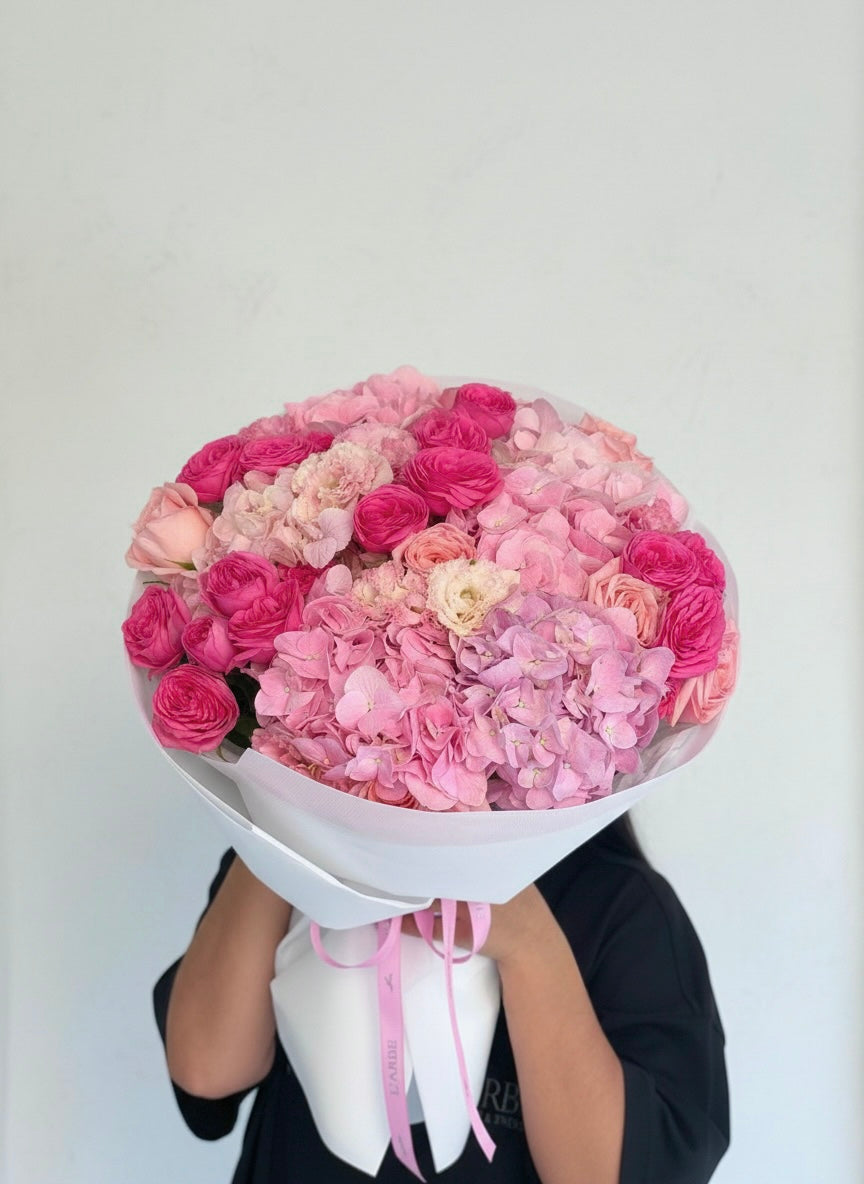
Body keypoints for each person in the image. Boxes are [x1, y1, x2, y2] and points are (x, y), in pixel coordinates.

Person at [153, 816, 729, 1183]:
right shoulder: (292, 851)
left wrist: (529, 944)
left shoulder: (620, 902)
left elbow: (616, 1173)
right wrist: (286, 814)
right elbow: (208, 1072)